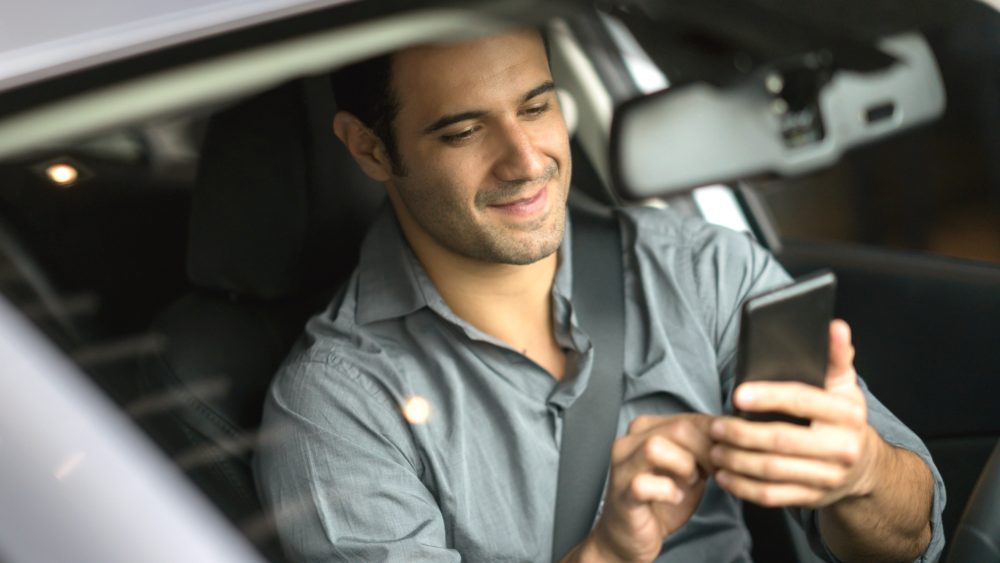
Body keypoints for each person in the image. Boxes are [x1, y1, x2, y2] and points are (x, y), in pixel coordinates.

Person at [254, 28, 945, 562]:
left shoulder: (701, 267)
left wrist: (858, 472)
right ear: (371, 150)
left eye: (537, 105)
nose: (526, 161)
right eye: (465, 130)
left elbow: (915, 534)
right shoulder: (332, 407)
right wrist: (610, 551)